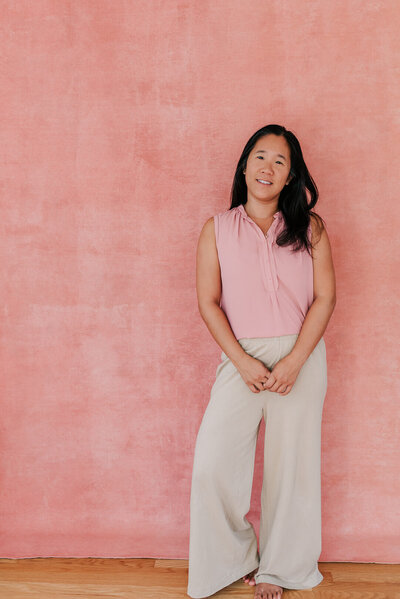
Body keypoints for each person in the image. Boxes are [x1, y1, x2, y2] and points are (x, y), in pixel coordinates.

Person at [187, 124, 336, 599]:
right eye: (260, 156)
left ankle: (281, 569)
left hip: (302, 356)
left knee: (292, 467)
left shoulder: (310, 228)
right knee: (213, 462)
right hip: (241, 358)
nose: (267, 167)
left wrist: (295, 360)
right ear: (244, 165)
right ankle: (231, 558)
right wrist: (243, 362)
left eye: (279, 160)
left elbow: (326, 298)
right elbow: (208, 302)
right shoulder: (216, 228)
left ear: (291, 176)